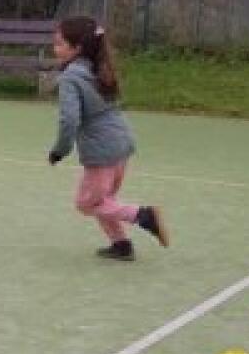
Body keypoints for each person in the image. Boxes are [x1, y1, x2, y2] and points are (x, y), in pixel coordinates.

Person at [48, 15, 169, 261]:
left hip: (101, 150)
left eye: (60, 43)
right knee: (105, 201)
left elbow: (69, 120)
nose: (54, 48)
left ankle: (143, 216)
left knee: (87, 203)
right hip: (121, 141)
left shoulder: (71, 77)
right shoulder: (98, 67)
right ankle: (121, 245)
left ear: (77, 48)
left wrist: (59, 150)